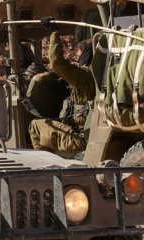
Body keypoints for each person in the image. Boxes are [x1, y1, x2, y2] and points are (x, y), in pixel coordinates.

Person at [27, 17, 96, 157]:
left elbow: (57, 62)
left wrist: (54, 33)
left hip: (80, 139)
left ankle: (45, 164)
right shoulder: (103, 74)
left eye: (79, 56)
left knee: (35, 125)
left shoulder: (85, 75)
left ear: (86, 55)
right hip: (88, 135)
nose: (77, 60)